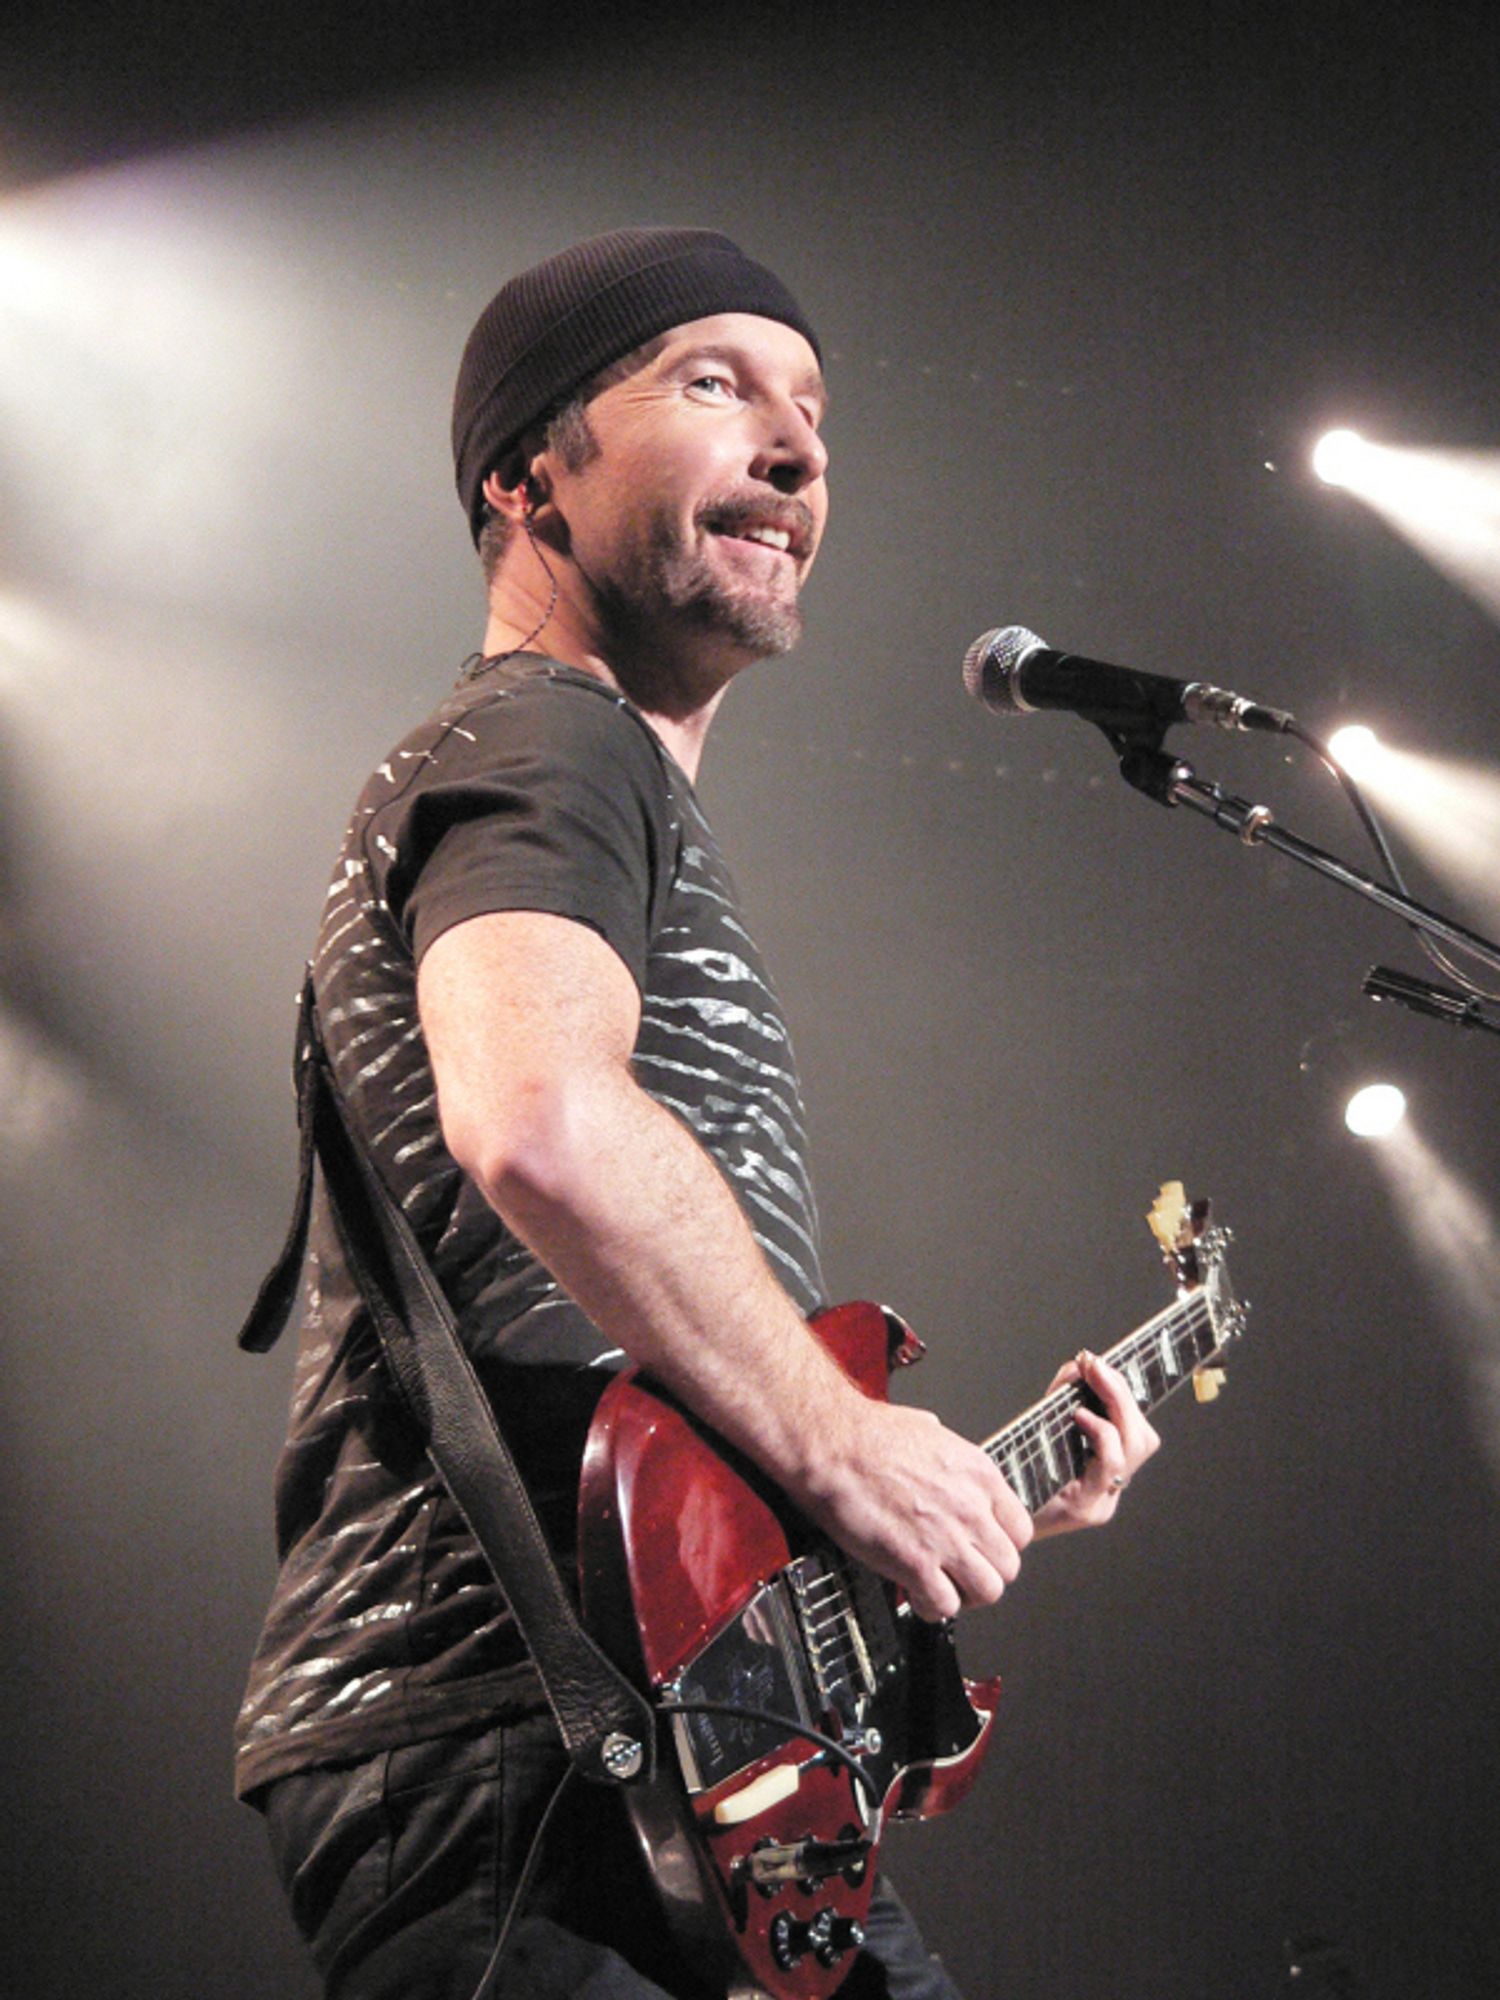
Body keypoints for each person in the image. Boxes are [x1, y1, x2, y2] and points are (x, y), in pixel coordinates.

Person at [235, 226, 1160, 2000]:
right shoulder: (549, 741)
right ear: (528, 477)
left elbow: (627, 1384)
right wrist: (837, 1440)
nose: (801, 451)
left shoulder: (606, 792)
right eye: (713, 384)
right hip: (521, 1749)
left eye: (812, 405)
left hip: (657, 1746)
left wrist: (939, 1495)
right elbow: (542, 1123)